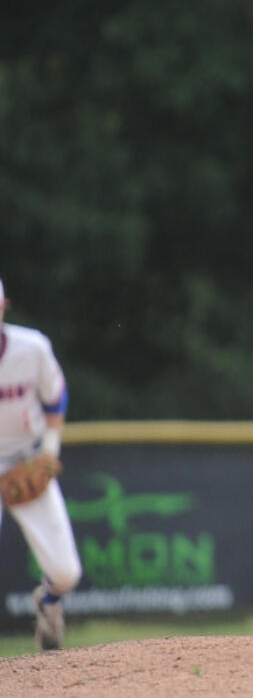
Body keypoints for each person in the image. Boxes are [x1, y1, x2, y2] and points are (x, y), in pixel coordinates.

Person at [0, 277, 82, 650]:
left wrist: (49, 451)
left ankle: (48, 604)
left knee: (66, 573)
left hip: (27, 456)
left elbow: (55, 399)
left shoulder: (31, 349)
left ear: (4, 307)